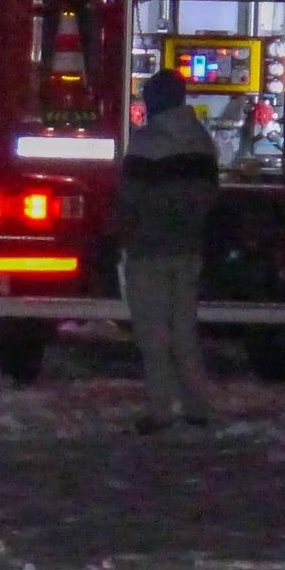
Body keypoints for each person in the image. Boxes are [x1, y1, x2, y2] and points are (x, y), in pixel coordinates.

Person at [114, 69, 220, 433]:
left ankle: (161, 410)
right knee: (185, 332)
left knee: (153, 335)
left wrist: (124, 236)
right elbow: (209, 198)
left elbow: (129, 200)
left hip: (148, 252)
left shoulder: (145, 143)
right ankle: (198, 408)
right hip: (188, 250)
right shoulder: (202, 141)